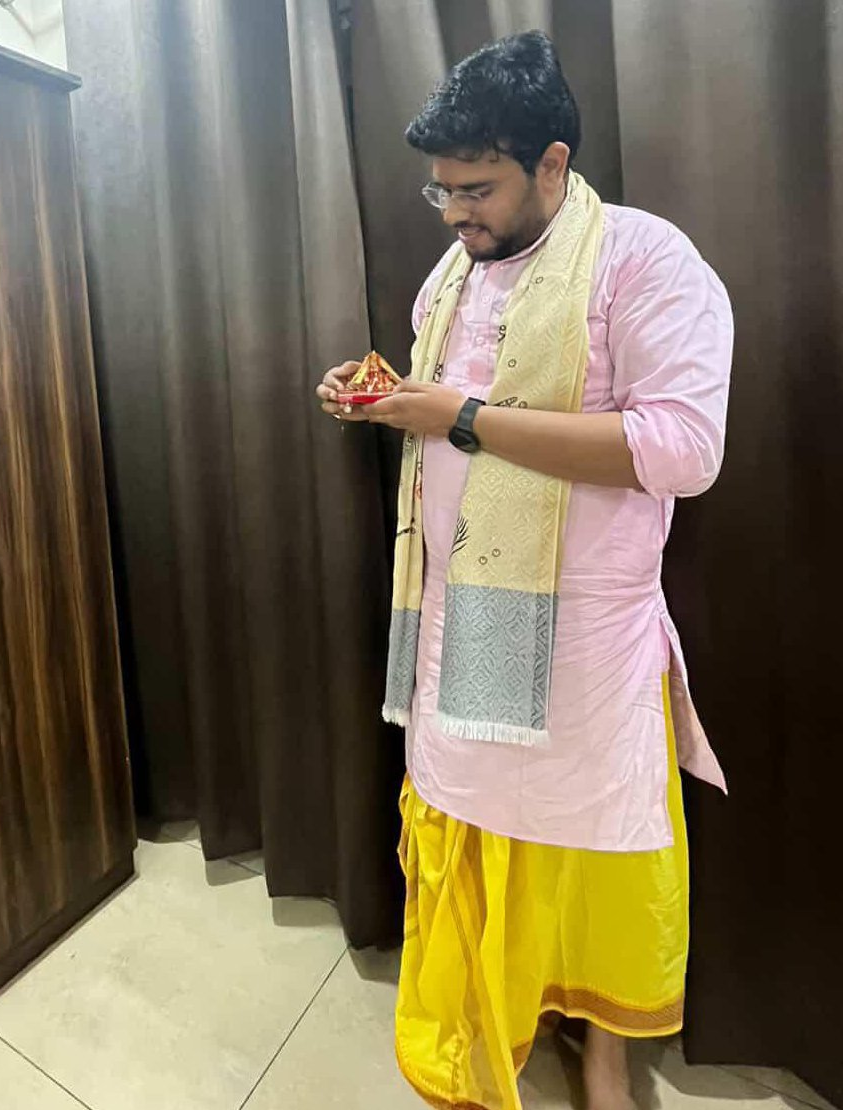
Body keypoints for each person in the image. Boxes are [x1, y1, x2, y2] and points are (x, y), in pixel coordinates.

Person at [317, 30, 732, 1110]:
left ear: (552, 163)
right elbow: (444, 407)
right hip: (462, 617)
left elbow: (684, 449)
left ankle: (604, 1054)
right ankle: (490, 1021)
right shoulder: (453, 274)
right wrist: (386, 395)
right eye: (441, 191)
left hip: (587, 643)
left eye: (477, 189)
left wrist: (461, 417)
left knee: (591, 853)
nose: (454, 215)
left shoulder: (644, 260)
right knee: (476, 823)